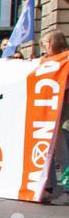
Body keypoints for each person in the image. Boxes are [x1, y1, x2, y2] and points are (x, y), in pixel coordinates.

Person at [43, 32, 69, 205]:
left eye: (46, 44)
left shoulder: (65, 61)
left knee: (61, 151)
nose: (44, 47)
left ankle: (66, 188)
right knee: (49, 149)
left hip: (61, 112)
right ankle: (48, 185)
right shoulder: (50, 61)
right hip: (51, 111)